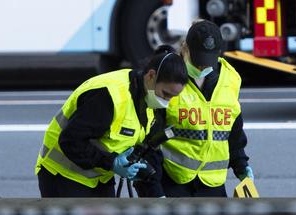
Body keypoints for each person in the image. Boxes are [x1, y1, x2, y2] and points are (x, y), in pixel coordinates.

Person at [35, 45, 187, 198]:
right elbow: (71, 141)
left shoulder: (152, 101)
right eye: (166, 94)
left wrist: (157, 194)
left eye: (172, 97)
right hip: (63, 175)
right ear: (151, 76)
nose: (167, 102)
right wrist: (112, 163)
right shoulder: (109, 97)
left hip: (99, 178)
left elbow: (149, 150)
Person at [161, 20, 252, 197]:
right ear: (184, 48)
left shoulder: (231, 79)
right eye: (198, 60)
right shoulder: (168, 76)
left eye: (208, 60)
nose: (203, 66)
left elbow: (233, 130)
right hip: (174, 179)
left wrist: (242, 166)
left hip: (212, 183)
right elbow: (150, 131)